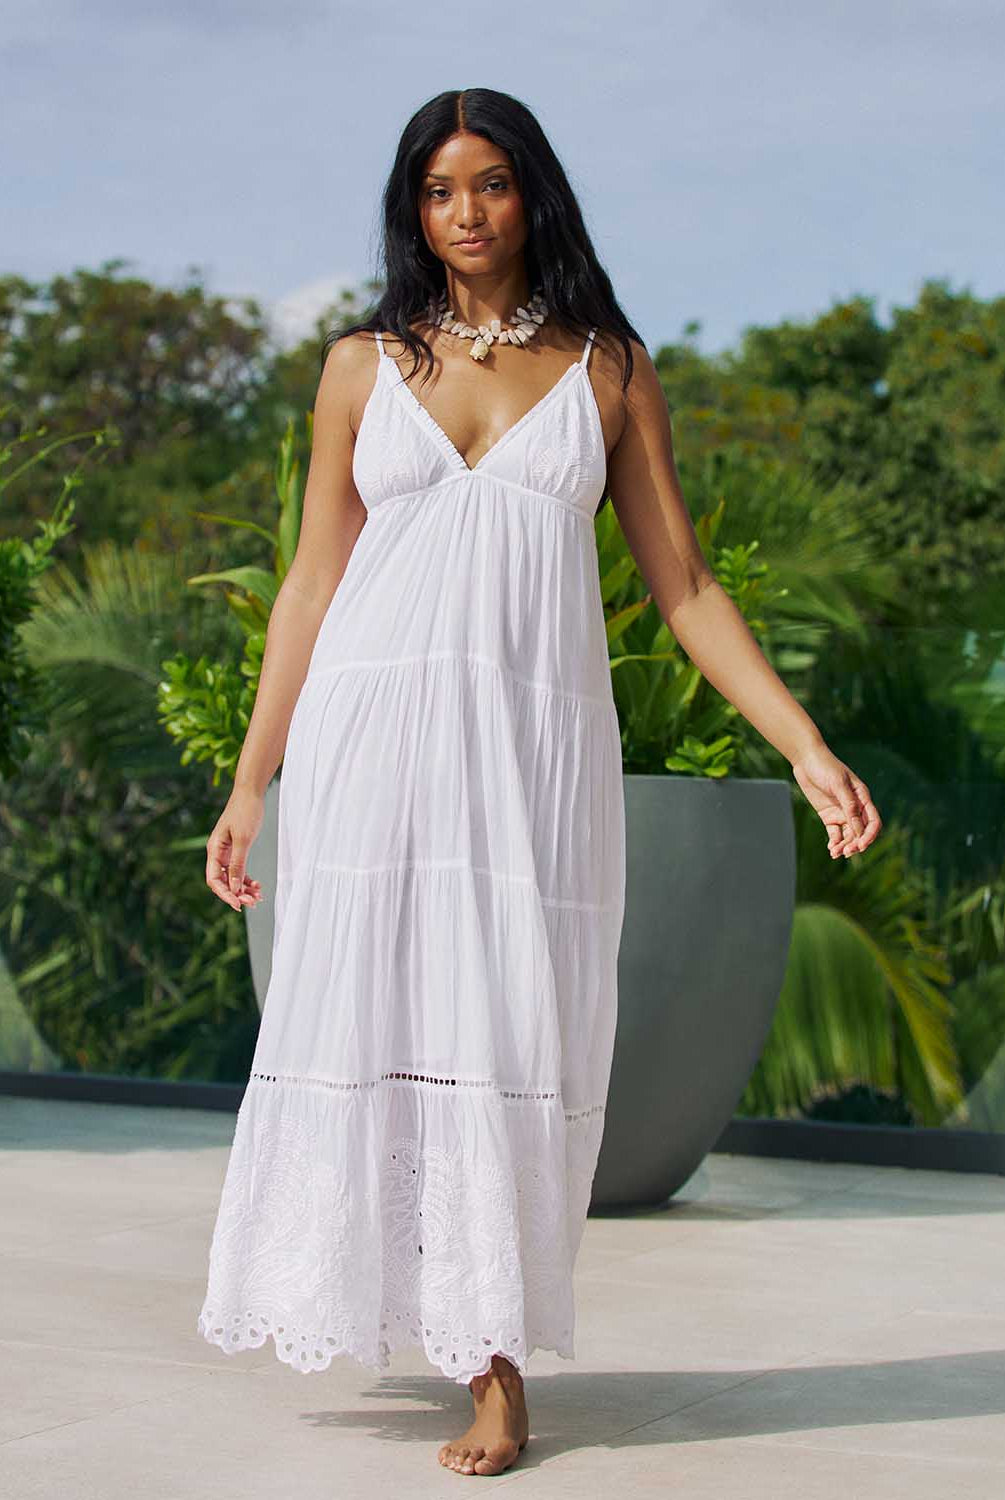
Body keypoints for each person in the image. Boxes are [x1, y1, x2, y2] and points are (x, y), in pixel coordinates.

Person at [196, 87, 882, 1479]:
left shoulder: (609, 371)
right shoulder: (355, 367)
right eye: (440, 190)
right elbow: (310, 584)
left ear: (533, 196)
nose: (465, 214)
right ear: (413, 207)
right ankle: (424, 1327)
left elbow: (680, 584)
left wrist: (802, 744)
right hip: (370, 741)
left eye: (491, 185)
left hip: (524, 760)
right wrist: (254, 779)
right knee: (381, 1017)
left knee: (506, 1035)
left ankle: (495, 1363)